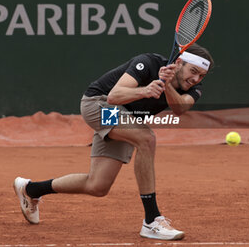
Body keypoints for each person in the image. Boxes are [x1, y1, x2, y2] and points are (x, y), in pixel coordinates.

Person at [13, 43, 214, 241]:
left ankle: (31, 189)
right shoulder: (147, 63)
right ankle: (152, 220)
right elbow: (114, 96)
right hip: (98, 104)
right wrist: (144, 91)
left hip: (127, 117)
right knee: (147, 139)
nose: (195, 79)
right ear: (178, 63)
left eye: (201, 75)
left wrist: (167, 83)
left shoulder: (194, 88)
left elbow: (180, 108)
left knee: (97, 185)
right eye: (193, 71)